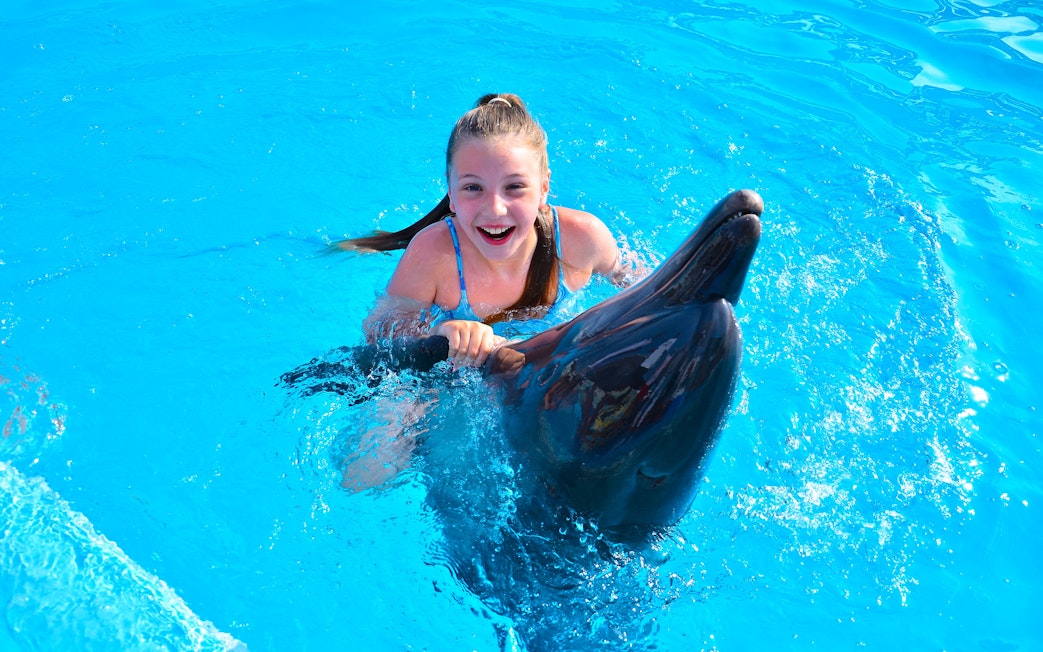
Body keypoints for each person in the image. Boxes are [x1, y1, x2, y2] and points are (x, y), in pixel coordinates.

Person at [332, 93, 628, 368]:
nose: (495, 209)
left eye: (514, 187)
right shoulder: (434, 253)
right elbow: (379, 336)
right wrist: (438, 332)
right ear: (451, 193)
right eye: (473, 188)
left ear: (543, 189)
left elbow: (635, 286)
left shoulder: (583, 239)